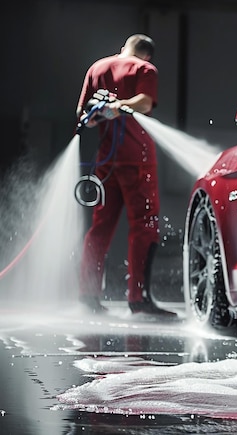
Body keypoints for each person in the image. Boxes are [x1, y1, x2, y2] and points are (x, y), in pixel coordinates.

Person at [76, 34, 175, 317]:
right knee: (145, 225)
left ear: (124, 48)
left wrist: (103, 112)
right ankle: (139, 300)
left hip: (106, 162)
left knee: (100, 227)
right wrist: (119, 107)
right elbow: (144, 103)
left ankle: (87, 295)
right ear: (146, 55)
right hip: (138, 160)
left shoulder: (97, 68)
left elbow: (82, 113)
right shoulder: (145, 70)